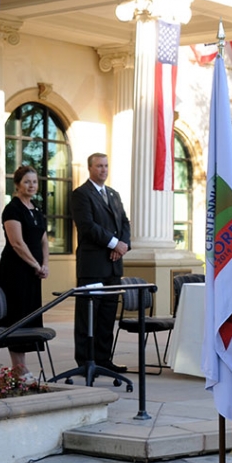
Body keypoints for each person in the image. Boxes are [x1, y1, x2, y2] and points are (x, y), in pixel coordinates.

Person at [71, 153, 131, 373]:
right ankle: (86, 361)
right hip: (92, 267)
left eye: (106, 166)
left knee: (107, 316)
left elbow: (124, 221)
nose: (103, 170)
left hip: (113, 266)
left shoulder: (113, 195)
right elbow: (87, 225)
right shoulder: (81, 194)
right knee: (89, 316)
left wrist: (123, 244)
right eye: (99, 166)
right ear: (90, 168)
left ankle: (104, 359)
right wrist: (114, 243)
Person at [0, 165, 49, 382]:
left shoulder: (36, 209)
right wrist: (35, 264)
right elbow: (17, 243)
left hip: (34, 272)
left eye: (34, 182)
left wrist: (45, 264)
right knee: (17, 316)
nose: (31, 186)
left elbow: (44, 241)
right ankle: (19, 368)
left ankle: (22, 367)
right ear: (17, 185)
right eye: (27, 182)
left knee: (29, 316)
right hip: (15, 271)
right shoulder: (12, 209)